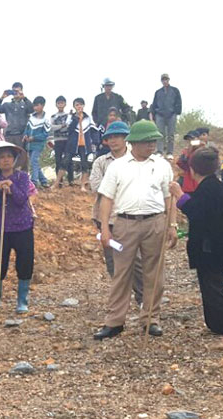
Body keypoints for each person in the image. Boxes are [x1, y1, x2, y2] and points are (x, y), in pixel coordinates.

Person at [94, 120, 178, 340]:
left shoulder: (162, 165)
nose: (151, 145)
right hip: (125, 223)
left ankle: (151, 319)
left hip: (155, 222)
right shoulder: (117, 166)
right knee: (122, 272)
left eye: (153, 141)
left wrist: (172, 225)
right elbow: (106, 198)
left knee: (154, 272)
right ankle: (114, 322)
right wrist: (104, 228)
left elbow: (170, 198)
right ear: (134, 143)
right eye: (146, 142)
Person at [170, 146, 223, 347]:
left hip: (212, 249)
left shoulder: (209, 189)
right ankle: (215, 325)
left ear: (193, 170)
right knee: (209, 286)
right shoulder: (218, 187)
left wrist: (178, 194)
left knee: (214, 289)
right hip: (222, 247)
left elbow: (195, 211)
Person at [0, 142, 35, 314]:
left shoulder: (23, 177)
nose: (6, 160)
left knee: (24, 263)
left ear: (15, 159)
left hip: (23, 226)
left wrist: (11, 187)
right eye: (2, 157)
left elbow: (21, 199)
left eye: (9, 156)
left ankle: (22, 301)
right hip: (1, 228)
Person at [90, 121, 143, 306]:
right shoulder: (100, 162)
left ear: (125, 138)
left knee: (135, 258)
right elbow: (96, 186)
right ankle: (121, 298)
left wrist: (113, 185)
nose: (113, 140)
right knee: (112, 260)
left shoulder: (137, 159)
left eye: (117, 136)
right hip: (106, 218)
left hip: (131, 215)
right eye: (109, 137)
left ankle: (142, 297)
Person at [66, 97, 101, 191]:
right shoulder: (71, 117)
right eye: (77, 105)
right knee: (65, 161)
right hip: (73, 144)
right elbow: (68, 130)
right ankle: (57, 183)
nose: (79, 106)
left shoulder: (88, 118)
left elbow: (94, 130)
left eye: (81, 104)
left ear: (84, 105)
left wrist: (95, 142)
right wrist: (75, 119)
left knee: (84, 164)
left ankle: (83, 185)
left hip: (84, 145)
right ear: (74, 106)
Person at [151, 73, 182, 155]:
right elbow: (154, 104)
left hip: (171, 114)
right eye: (163, 79)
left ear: (169, 80)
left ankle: (170, 152)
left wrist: (176, 112)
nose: (165, 81)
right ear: (161, 81)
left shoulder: (175, 90)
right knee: (159, 134)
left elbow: (179, 102)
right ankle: (159, 151)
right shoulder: (158, 92)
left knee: (171, 134)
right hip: (160, 115)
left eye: (166, 79)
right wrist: (153, 116)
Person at [23, 96, 51, 189]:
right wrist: (25, 135)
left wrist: (34, 138)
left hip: (38, 144)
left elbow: (45, 134)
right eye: (34, 106)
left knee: (34, 161)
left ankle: (34, 182)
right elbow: (27, 129)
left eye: (37, 106)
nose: (35, 108)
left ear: (42, 106)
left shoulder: (46, 120)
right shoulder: (31, 118)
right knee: (34, 162)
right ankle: (43, 181)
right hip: (29, 144)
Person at [0, 82, 31, 148]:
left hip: (21, 135)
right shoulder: (7, 105)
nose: (16, 93)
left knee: (22, 156)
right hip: (8, 135)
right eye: (14, 91)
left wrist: (24, 98)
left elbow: (31, 110)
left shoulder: (25, 104)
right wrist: (1, 98)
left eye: (18, 91)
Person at [49, 96, 72, 188]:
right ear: (56, 104)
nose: (60, 105)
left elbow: (69, 126)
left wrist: (60, 127)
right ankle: (60, 182)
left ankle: (71, 180)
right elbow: (52, 127)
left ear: (65, 104)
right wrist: (62, 126)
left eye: (62, 103)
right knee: (58, 161)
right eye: (59, 103)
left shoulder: (69, 115)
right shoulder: (53, 116)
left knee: (68, 160)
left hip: (67, 140)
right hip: (57, 140)